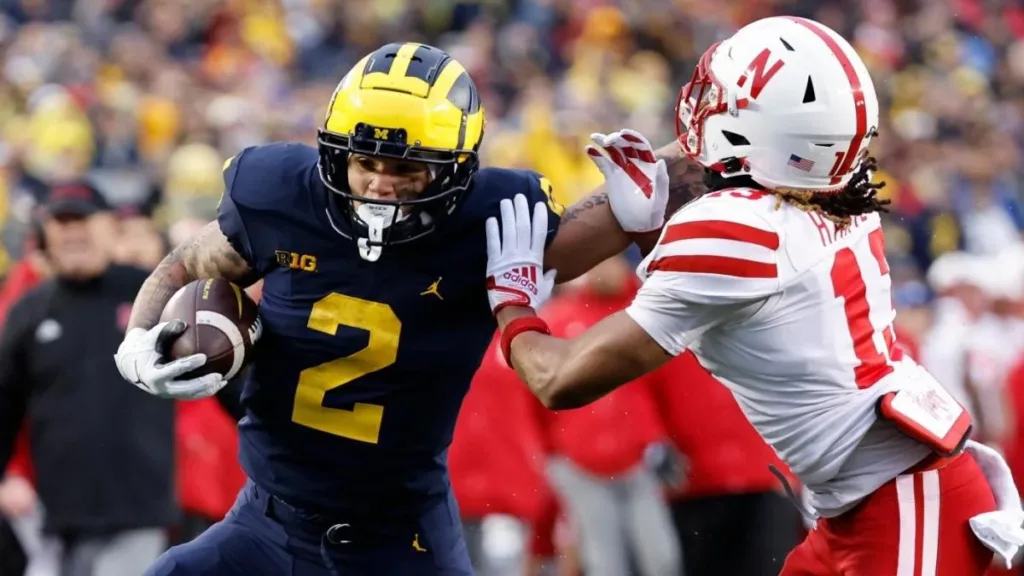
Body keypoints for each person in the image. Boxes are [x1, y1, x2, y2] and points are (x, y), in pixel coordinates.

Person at [112, 42, 696, 575]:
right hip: (267, 520)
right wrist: (138, 339)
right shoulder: (280, 196)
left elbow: (621, 203)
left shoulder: (493, 221)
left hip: (402, 534)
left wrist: (670, 176)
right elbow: (187, 262)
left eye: (406, 168)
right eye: (366, 161)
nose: (380, 183)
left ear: (456, 169)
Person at [485, 16, 1024, 575]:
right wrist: (646, 225)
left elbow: (560, 379)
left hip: (902, 507)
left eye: (727, 98)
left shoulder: (734, 230)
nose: (707, 104)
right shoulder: (837, 183)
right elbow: (709, 186)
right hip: (873, 500)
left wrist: (512, 301)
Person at [0, 182, 176, 576]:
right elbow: (4, 404)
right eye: (61, 220)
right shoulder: (29, 311)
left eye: (82, 218)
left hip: (138, 508)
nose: (72, 229)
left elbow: (220, 373)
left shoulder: (147, 292)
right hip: (58, 515)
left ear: (110, 226)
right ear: (45, 234)